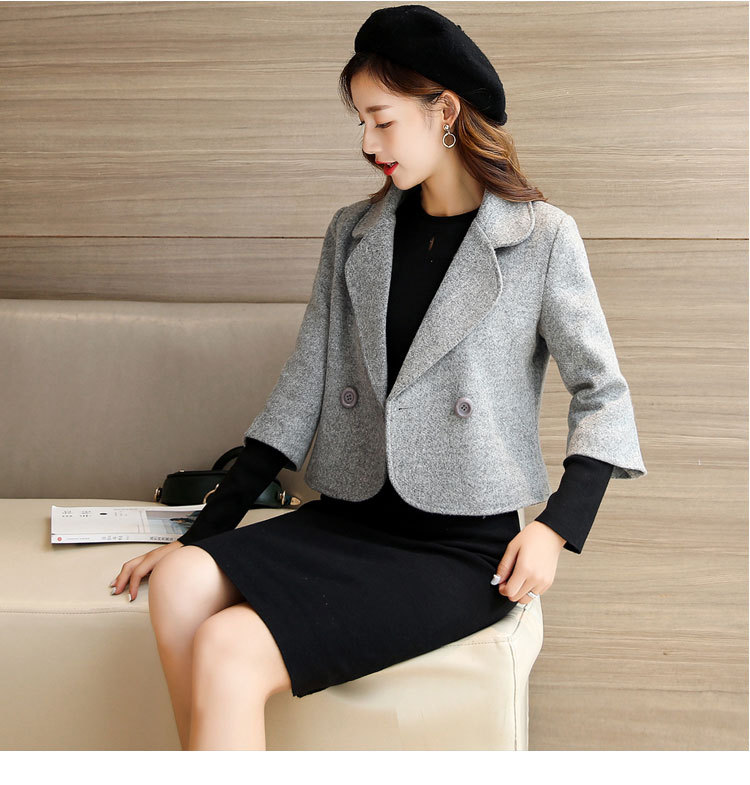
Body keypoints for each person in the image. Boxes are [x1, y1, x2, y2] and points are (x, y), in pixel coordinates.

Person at [109, 5, 646, 751]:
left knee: (229, 646)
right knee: (177, 582)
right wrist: (202, 533)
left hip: (459, 544)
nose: (367, 143)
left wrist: (556, 530)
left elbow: (603, 393)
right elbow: (303, 385)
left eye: (383, 121)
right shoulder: (353, 233)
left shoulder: (541, 236)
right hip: (352, 513)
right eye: (361, 122)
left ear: (445, 112)